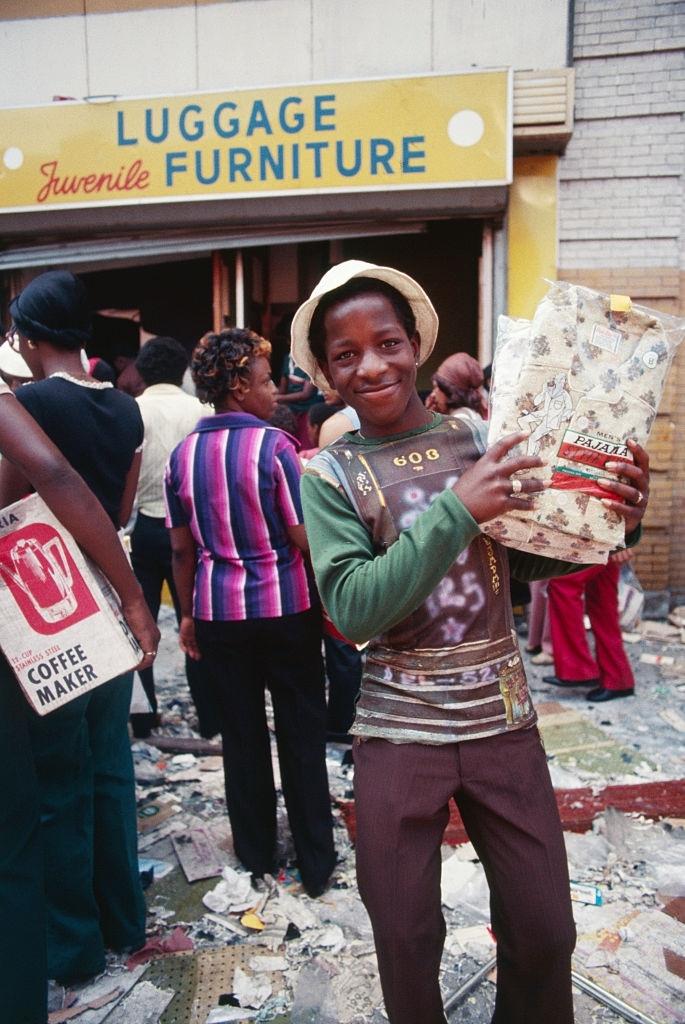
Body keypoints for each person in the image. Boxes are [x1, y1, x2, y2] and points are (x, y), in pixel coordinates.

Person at [291, 260, 650, 1024]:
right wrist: (455, 509)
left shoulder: (477, 438)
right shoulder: (329, 475)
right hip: (397, 733)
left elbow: (523, 557)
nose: (371, 365)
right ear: (325, 371)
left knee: (546, 931)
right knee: (405, 938)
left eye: (385, 342)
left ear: (415, 342)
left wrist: (617, 518)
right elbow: (353, 609)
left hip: (500, 722)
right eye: (345, 354)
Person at [0, 270, 150, 991]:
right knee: (109, 770)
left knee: (58, 786)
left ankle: (74, 949)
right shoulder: (127, 410)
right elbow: (117, 508)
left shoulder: (25, 403)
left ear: (29, 336)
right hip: (110, 598)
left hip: (46, 605)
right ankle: (126, 922)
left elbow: (21, 499)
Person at [164, 327, 336, 897]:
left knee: (241, 736)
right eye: (265, 382)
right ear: (238, 386)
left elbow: (182, 549)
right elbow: (301, 537)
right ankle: (315, 862)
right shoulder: (276, 448)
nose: (275, 392)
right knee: (300, 730)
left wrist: (187, 616)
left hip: (218, 613)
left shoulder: (182, 457)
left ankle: (258, 856)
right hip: (287, 609)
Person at [129, 336, 214, 738]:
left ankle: (143, 717)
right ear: (183, 370)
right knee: (194, 619)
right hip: (192, 530)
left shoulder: (132, 410)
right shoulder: (200, 410)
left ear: (142, 373)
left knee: (140, 620)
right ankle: (209, 717)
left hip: (146, 526)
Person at [544, 549, 636, 701]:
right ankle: (618, 678)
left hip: (600, 537)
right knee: (602, 601)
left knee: (563, 582)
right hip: (602, 537)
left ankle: (578, 668)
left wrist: (624, 541)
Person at [425, 351, 488, 420]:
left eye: (436, 387)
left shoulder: (460, 417)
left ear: (448, 391)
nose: (433, 394)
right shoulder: (467, 414)